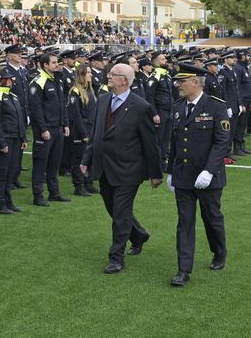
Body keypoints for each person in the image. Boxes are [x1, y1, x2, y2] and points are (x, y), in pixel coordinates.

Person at [80, 61, 164, 274]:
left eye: (113, 74)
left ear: (124, 80)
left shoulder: (141, 107)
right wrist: (86, 159)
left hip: (128, 170)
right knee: (114, 209)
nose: (108, 76)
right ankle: (138, 235)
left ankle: (116, 257)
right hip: (104, 167)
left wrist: (155, 174)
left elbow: (150, 143)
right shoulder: (103, 99)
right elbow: (95, 134)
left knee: (120, 213)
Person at [166, 62, 231, 287]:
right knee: (185, 222)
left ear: (195, 82)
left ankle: (219, 252)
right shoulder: (177, 107)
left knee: (211, 217)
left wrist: (209, 171)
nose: (178, 85)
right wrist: (170, 172)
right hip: (184, 175)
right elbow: (175, 142)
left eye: (182, 81)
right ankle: (183, 270)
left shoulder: (216, 106)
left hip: (208, 177)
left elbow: (222, 143)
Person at [28, 49, 70, 206]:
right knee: (41, 163)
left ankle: (54, 192)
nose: (57, 65)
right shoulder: (38, 82)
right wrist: (43, 129)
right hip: (45, 129)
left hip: (57, 127)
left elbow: (62, 104)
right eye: (53, 63)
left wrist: (65, 123)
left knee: (54, 163)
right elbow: (36, 109)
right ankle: (38, 195)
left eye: (57, 62)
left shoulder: (57, 79)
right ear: (45, 65)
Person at [0, 65, 27, 215]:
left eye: (10, 79)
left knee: (10, 171)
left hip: (15, 139)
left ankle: (7, 200)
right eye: (7, 79)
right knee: (1, 172)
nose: (10, 81)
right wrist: (2, 143)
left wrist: (23, 137)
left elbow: (20, 120)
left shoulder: (13, 96)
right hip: (4, 139)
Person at [66, 64, 96, 197]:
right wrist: (83, 134)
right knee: (79, 158)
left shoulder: (89, 90)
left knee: (90, 157)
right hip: (80, 130)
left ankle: (88, 183)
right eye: (88, 72)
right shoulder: (75, 91)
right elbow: (76, 115)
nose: (91, 74)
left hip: (90, 128)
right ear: (82, 75)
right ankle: (78, 186)